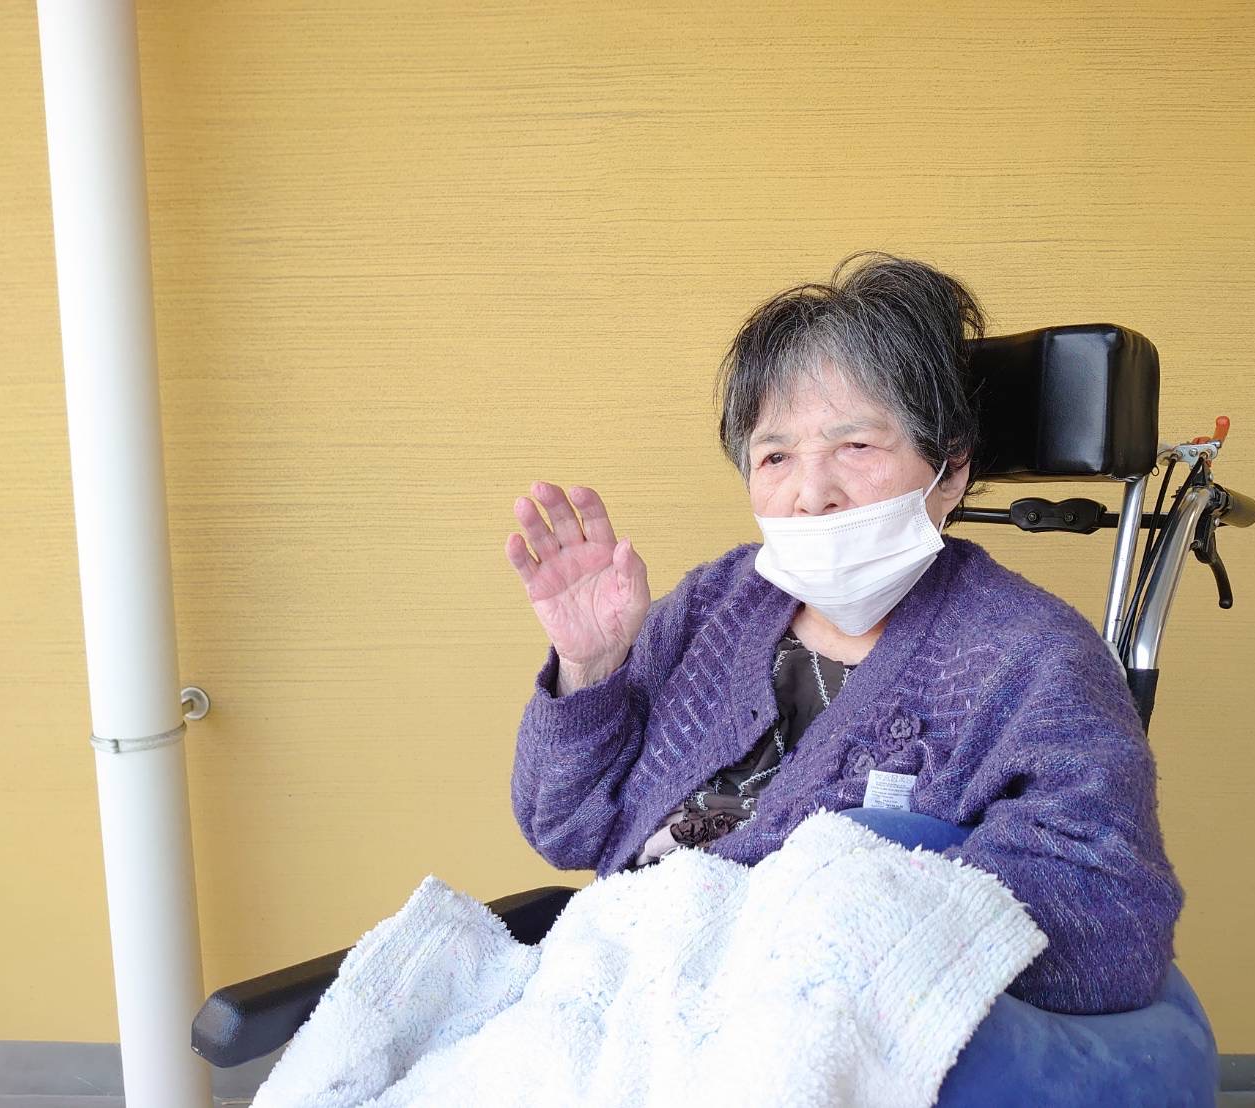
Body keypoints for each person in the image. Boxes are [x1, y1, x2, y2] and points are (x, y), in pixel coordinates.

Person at [504, 251, 1183, 1015]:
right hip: (616, 978)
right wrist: (590, 668)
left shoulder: (1032, 659)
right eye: (775, 455)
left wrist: (845, 909)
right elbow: (564, 830)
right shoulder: (715, 603)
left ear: (951, 469)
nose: (810, 493)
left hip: (794, 1019)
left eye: (854, 446)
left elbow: (1110, 925)